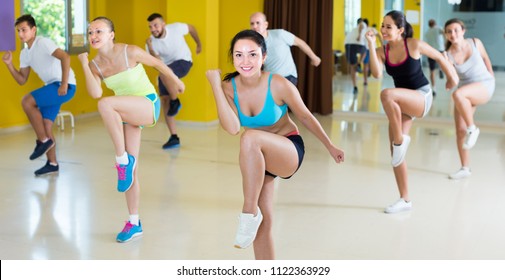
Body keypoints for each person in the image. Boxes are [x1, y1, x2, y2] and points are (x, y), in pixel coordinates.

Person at [206, 30, 344, 259]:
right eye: (239, 55)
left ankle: (248, 212)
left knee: (249, 138)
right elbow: (231, 127)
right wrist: (215, 86)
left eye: (252, 54)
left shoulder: (278, 84)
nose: (245, 61)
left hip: (288, 149)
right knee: (264, 224)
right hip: (258, 158)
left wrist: (330, 146)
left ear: (264, 56)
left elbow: (306, 116)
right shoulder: (229, 87)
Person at [77, 17, 184, 242]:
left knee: (106, 104)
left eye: (99, 31)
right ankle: (134, 222)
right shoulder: (96, 65)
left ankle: (121, 159)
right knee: (130, 174)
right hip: (126, 113)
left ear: (111, 34)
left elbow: (157, 64)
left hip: (147, 104)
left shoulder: (129, 52)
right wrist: (84, 65)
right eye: (90, 32)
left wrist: (175, 81)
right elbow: (95, 92)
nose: (93, 36)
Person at [365, 10, 458, 213]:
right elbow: (376, 73)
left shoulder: (413, 44)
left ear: (400, 30)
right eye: (382, 26)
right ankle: (405, 199)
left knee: (387, 94)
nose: (383, 30)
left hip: (421, 97)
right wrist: (372, 46)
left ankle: (400, 139)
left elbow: (440, 57)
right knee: (396, 155)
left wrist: (453, 79)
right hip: (402, 103)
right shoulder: (383, 51)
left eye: (388, 27)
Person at [2, 14, 76, 176]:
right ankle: (52, 163)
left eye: (24, 30)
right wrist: (9, 65)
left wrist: (64, 83)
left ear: (33, 30)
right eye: (18, 31)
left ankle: (43, 141)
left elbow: (65, 57)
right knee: (45, 125)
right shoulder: (25, 54)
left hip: (65, 85)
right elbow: (22, 80)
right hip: (52, 87)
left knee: (27, 101)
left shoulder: (43, 43)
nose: (21, 34)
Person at [444, 18, 495, 179]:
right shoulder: (447, 55)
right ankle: (465, 168)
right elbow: (453, 80)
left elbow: (486, 59)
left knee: (457, 94)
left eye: (456, 30)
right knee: (460, 131)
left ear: (463, 31)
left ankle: (473, 128)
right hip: (465, 92)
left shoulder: (475, 42)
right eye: (449, 31)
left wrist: (491, 76)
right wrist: (449, 79)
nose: (453, 34)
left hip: (484, 85)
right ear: (446, 35)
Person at [146, 13, 202, 149]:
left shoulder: (176, 28)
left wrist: (198, 44)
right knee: (164, 100)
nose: (153, 29)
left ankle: (175, 101)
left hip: (184, 62)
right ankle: (174, 137)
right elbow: (157, 63)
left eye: (156, 25)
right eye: (150, 27)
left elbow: (192, 28)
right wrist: (151, 48)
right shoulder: (150, 43)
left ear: (163, 24)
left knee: (164, 73)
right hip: (166, 70)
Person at [249, 12, 321, 86]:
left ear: (265, 25)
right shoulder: (253, 44)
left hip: (288, 77)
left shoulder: (280, 34)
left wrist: (314, 57)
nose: (255, 26)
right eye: (252, 23)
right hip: (269, 79)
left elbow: (300, 43)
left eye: (258, 23)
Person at [345, 18, 368, 94]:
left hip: (348, 45)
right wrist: (360, 36)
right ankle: (359, 63)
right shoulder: (362, 24)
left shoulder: (353, 30)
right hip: (357, 44)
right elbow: (361, 25)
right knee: (365, 51)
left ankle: (355, 86)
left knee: (352, 67)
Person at [424, 19, 446, 96]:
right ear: (435, 23)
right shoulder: (438, 28)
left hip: (431, 52)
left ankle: (434, 89)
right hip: (440, 49)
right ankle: (441, 69)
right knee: (445, 62)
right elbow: (444, 33)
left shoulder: (427, 33)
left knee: (432, 71)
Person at [362, 20, 384, 86]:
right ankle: (372, 72)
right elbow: (379, 36)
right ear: (368, 24)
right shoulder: (372, 29)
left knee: (365, 65)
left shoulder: (363, 29)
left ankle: (365, 80)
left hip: (365, 49)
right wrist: (382, 44)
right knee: (374, 64)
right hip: (373, 49)